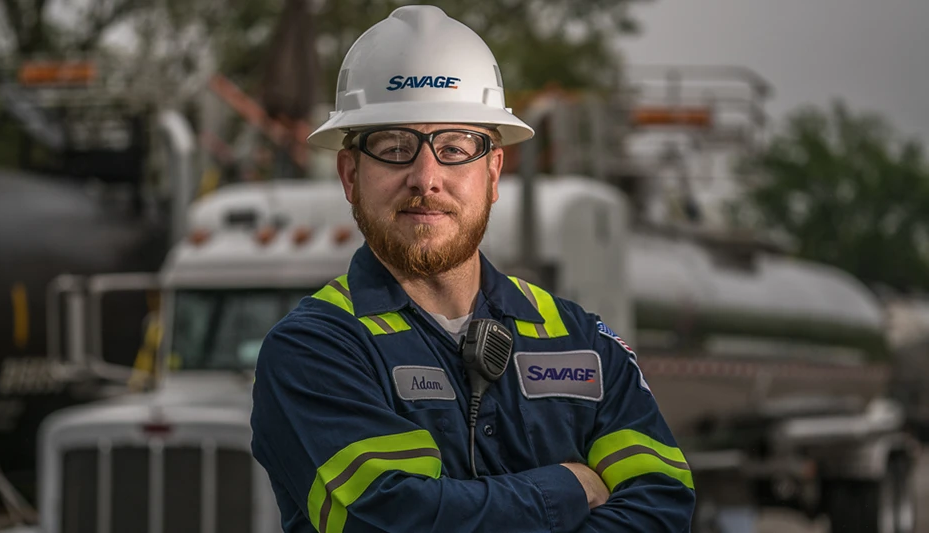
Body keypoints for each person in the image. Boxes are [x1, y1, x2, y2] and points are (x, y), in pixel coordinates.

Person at [250, 6, 695, 532]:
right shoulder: (315, 351)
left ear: (493, 171)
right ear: (350, 175)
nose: (426, 178)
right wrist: (569, 487)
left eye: (455, 148)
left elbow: (662, 505)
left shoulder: (580, 341)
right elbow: (394, 519)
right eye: (395, 148)